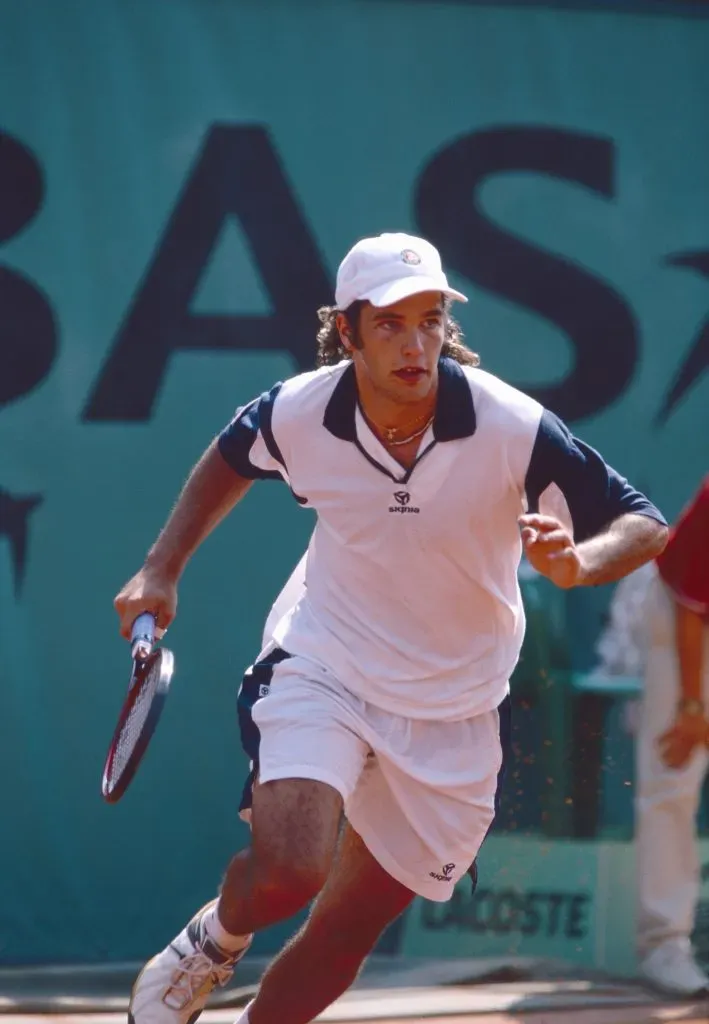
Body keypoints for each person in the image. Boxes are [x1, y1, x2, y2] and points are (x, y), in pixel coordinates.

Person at [114, 232, 668, 1024]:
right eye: (389, 325)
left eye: (430, 321)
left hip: (455, 701)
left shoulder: (509, 423)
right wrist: (161, 565)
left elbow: (640, 525)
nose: (416, 345)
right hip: (324, 659)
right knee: (289, 871)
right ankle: (211, 946)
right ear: (347, 332)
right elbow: (232, 454)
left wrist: (578, 562)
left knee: (344, 931)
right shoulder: (300, 411)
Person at [636, 474, 709, 996]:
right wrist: (691, 704)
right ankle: (664, 944)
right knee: (673, 775)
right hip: (685, 622)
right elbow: (692, 603)